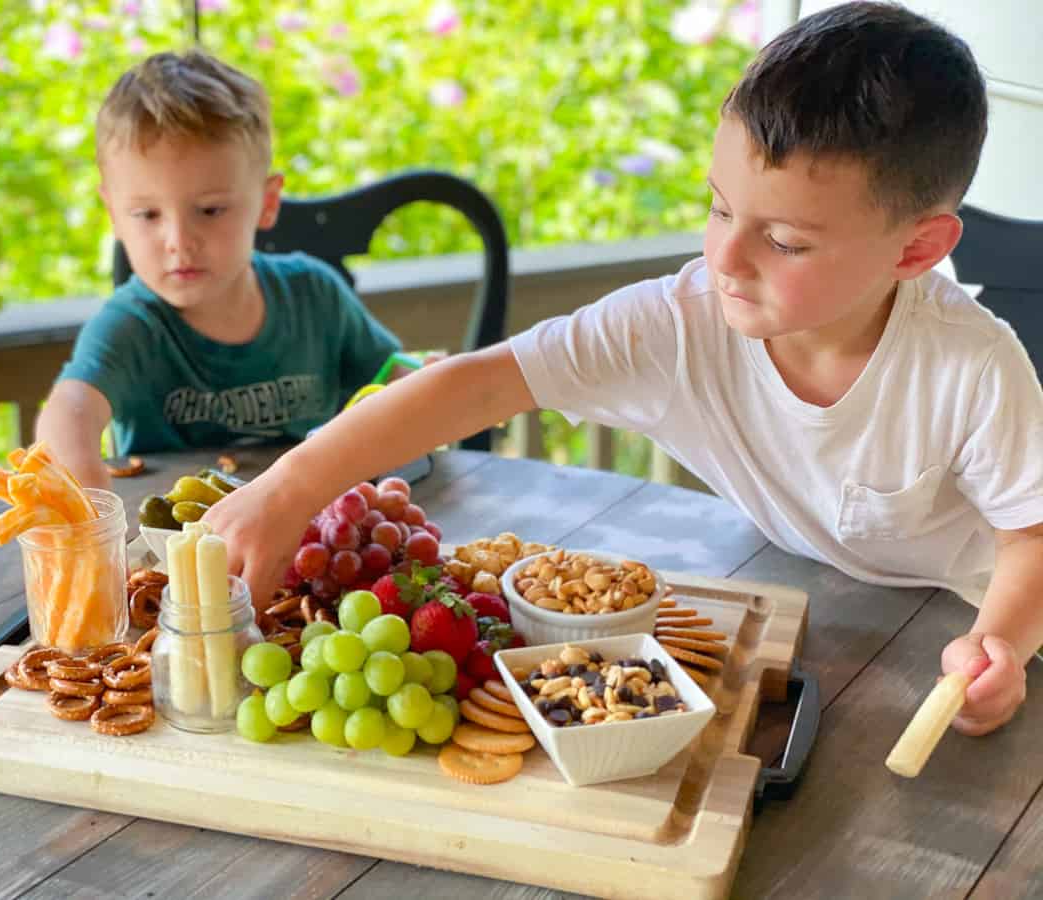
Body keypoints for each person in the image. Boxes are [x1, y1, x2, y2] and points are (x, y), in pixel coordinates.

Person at [206, 3, 1043, 736]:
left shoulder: (972, 368)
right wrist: (290, 485)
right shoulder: (677, 322)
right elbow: (480, 381)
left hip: (961, 627)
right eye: (718, 206)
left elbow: (1032, 536)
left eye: (785, 241)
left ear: (918, 248)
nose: (727, 256)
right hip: (812, 598)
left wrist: (998, 645)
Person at [36, 49, 400, 491]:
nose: (178, 239)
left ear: (266, 203)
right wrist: (85, 502)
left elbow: (394, 381)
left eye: (209, 210)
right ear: (113, 214)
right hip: (170, 550)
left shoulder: (314, 295)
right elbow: (70, 408)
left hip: (308, 535)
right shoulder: (130, 326)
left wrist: (424, 380)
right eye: (148, 214)